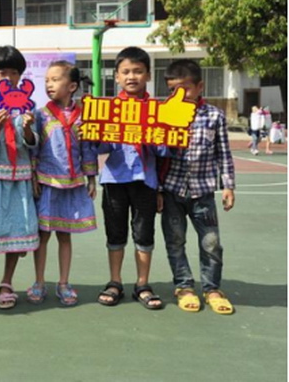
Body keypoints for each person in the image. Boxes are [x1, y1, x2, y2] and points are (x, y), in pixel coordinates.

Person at [157, 59, 236, 314]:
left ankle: (212, 289)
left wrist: (228, 186)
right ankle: (184, 286)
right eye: (172, 90)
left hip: (203, 192)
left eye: (184, 89)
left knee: (211, 242)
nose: (178, 94)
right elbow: (156, 156)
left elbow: (223, 153)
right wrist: (157, 190)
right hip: (172, 190)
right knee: (175, 241)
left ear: (200, 87)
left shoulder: (214, 116)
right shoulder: (163, 114)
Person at [97, 46, 164, 310]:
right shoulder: (108, 109)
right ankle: (115, 281)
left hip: (145, 181)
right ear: (116, 76)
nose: (131, 76)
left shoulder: (158, 110)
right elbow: (100, 148)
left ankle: (142, 284)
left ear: (148, 75)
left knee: (144, 233)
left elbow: (164, 150)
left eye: (138, 71)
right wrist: (96, 134)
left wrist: (151, 135)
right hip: (114, 179)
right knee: (115, 232)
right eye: (125, 71)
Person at [27, 61, 97, 307]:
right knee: (43, 236)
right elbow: (34, 148)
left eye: (55, 80)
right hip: (47, 181)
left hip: (73, 183)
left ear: (72, 86)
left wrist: (91, 177)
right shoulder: (40, 114)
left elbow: (88, 148)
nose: (49, 84)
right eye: (47, 80)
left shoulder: (83, 116)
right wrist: (33, 176)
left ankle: (64, 282)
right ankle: (39, 281)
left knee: (65, 236)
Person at [0, 45, 39, 309]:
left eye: (14, 73)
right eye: (2, 72)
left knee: (18, 230)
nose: (9, 78)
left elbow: (33, 143)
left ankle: (6, 282)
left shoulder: (29, 106)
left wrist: (28, 128)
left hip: (21, 178)